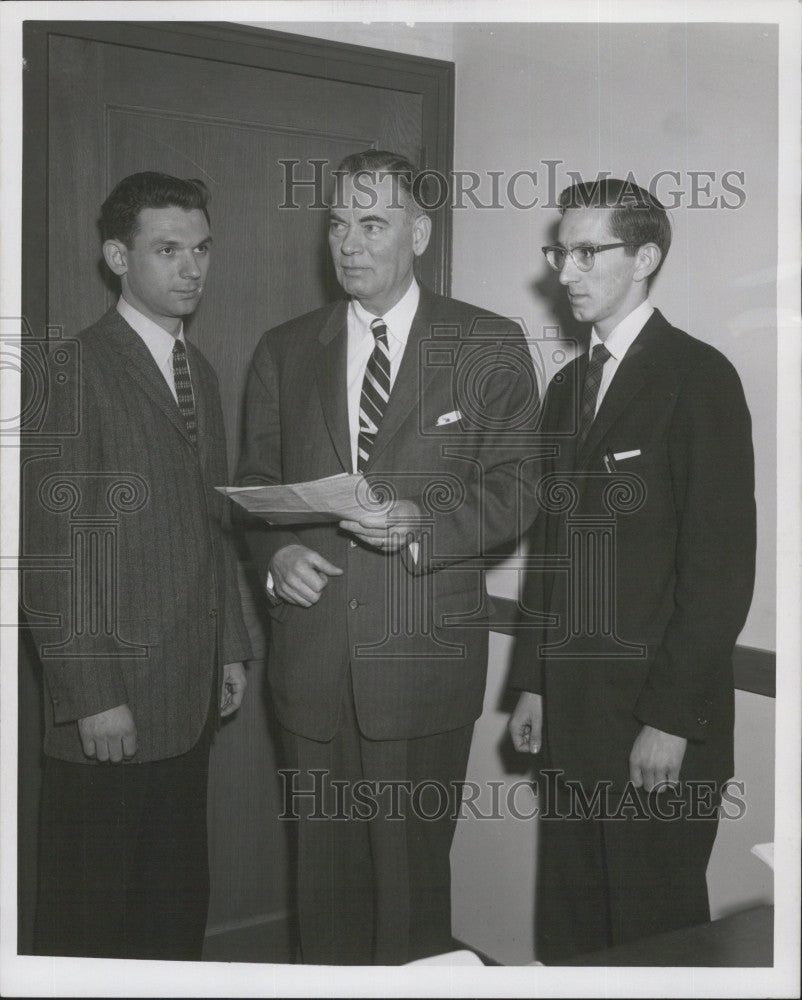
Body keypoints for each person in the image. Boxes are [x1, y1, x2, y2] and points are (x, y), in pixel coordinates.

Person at [237, 149, 539, 964]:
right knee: (321, 897)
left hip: (421, 664)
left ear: (419, 233)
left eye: (371, 222)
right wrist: (279, 557)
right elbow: (257, 486)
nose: (348, 241)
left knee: (409, 899)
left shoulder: (488, 341)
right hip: (311, 665)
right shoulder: (284, 348)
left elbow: (518, 491)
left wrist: (424, 523)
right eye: (338, 222)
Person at [508, 178, 756, 962]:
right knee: (575, 938)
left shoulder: (699, 377)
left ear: (645, 256)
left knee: (657, 946)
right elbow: (551, 547)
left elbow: (719, 571)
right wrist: (536, 680)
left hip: (658, 727)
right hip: (575, 719)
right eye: (561, 251)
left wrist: (673, 718)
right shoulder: (568, 387)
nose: (566, 270)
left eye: (588, 251)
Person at [22, 171, 252, 960]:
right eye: (167, 249)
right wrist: (91, 695)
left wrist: (229, 645)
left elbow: (212, 524)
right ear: (119, 256)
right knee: (89, 927)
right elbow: (50, 550)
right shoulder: (69, 369)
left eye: (201, 249)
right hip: (109, 708)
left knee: (172, 911)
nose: (192, 268)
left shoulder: (204, 376)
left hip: (186, 695)